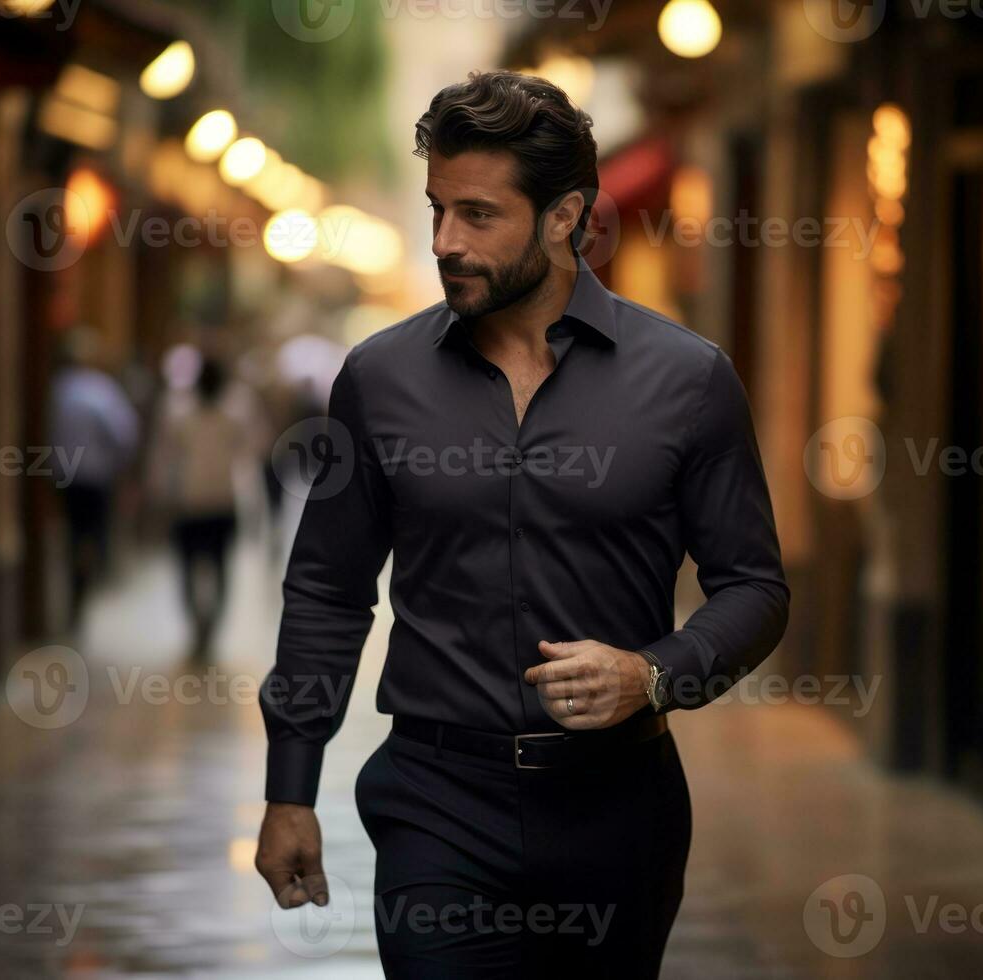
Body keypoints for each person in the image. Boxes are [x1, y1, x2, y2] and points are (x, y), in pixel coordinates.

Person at [256, 70, 790, 978]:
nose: (444, 243)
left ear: (562, 216)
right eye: (435, 211)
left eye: (477, 215)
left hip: (618, 809)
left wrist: (651, 674)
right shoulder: (378, 380)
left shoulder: (687, 380)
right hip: (434, 805)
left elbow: (754, 589)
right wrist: (290, 788)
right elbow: (327, 588)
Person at [48, 326, 139, 632]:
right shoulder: (100, 390)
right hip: (95, 476)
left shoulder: (56, 389)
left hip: (62, 474)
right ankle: (83, 584)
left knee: (72, 533)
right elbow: (124, 434)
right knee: (90, 535)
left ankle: (75, 584)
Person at [151, 358, 243, 663]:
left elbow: (164, 460)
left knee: (189, 568)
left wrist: (161, 493)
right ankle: (208, 627)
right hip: (220, 502)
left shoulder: (181, 417)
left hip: (191, 503)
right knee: (218, 568)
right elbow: (256, 447)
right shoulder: (232, 416)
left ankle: (199, 627)